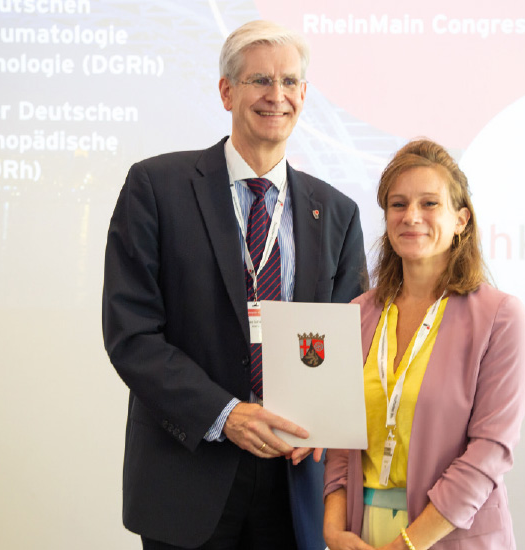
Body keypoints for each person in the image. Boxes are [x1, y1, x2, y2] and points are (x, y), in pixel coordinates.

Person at [102, 20, 366, 550]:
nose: (277, 96)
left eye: (290, 82)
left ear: (305, 94)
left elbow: (348, 342)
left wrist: (320, 422)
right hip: (188, 477)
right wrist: (227, 417)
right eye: (259, 81)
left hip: (295, 486)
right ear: (227, 91)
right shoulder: (156, 187)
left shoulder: (336, 212)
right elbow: (131, 334)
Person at [323, 139, 525, 550]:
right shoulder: (358, 315)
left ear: (461, 220)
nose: (411, 216)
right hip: (361, 533)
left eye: (430, 203)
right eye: (398, 204)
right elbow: (339, 441)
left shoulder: (500, 317)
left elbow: (489, 452)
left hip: (449, 534)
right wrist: (333, 532)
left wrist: (407, 545)